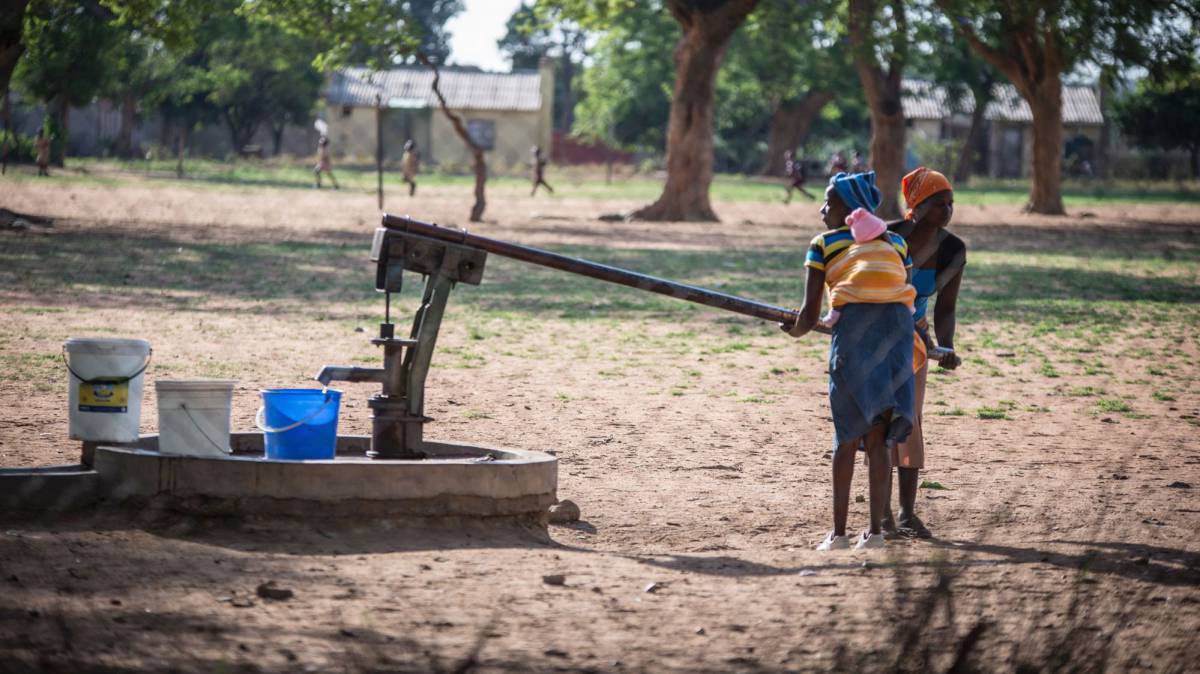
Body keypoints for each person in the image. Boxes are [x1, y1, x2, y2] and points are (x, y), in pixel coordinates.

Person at [784, 171, 917, 551]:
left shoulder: (822, 244)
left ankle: (838, 535)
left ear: (849, 208)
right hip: (896, 339)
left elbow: (809, 316)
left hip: (855, 341)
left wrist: (792, 330)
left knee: (846, 438)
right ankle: (875, 533)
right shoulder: (896, 243)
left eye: (830, 201)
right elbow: (904, 295)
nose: (823, 209)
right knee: (878, 439)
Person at [882, 166, 966, 539]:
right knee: (877, 422)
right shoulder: (884, 237)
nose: (946, 211)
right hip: (872, 335)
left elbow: (945, 308)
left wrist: (946, 347)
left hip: (915, 342)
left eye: (950, 203)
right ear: (915, 206)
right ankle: (879, 515)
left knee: (909, 420)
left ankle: (906, 513)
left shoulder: (953, 250)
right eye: (937, 203)